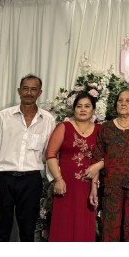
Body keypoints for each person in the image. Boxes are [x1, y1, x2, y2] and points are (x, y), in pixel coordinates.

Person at [0, 74, 56, 242]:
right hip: (4, 179)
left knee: (28, 230)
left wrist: (54, 180)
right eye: (25, 88)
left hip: (31, 181)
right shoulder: (4, 116)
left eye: (33, 89)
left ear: (40, 92)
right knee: (0, 229)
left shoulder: (48, 120)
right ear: (19, 91)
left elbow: (50, 153)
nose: (29, 93)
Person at [86, 89, 129, 242]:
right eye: (120, 100)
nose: (123, 103)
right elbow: (98, 158)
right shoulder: (106, 128)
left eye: (128, 101)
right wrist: (94, 187)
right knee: (110, 231)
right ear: (116, 104)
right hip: (111, 187)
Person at [45, 92, 101, 242]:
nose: (83, 109)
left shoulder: (100, 130)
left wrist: (97, 170)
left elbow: (106, 157)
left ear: (93, 110)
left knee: (83, 225)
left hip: (88, 187)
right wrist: (58, 179)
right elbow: (50, 154)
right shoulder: (64, 127)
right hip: (64, 185)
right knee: (64, 225)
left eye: (87, 106)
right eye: (79, 106)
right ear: (74, 109)